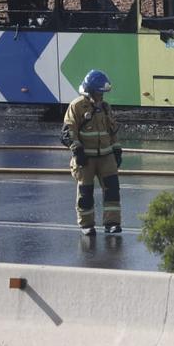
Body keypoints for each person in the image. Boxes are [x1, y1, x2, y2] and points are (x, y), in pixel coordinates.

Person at [61, 69, 123, 236]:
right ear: (91, 91)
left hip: (106, 157)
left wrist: (116, 149)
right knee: (85, 193)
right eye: (99, 93)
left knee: (112, 190)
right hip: (85, 159)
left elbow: (113, 130)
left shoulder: (105, 107)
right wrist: (77, 150)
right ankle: (87, 225)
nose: (101, 96)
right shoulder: (77, 106)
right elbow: (68, 132)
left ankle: (112, 223)